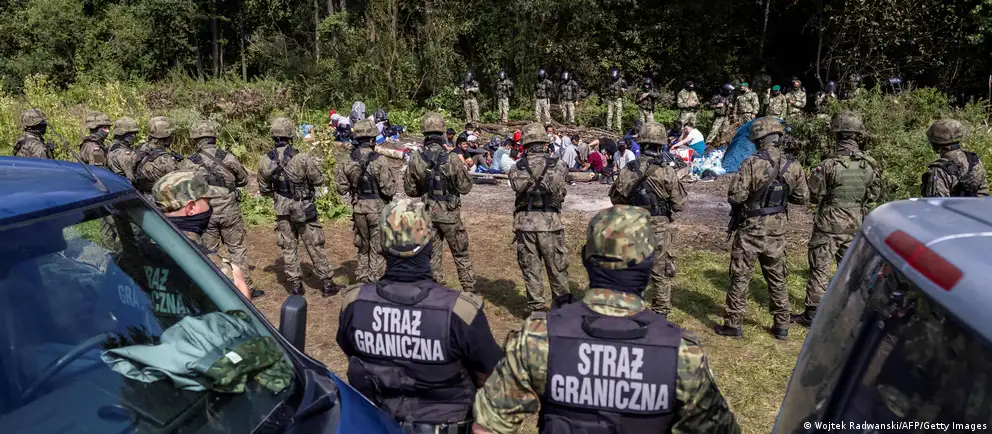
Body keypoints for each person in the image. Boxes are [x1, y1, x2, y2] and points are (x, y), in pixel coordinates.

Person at [472, 205, 741, 434]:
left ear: (586, 259)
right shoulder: (682, 354)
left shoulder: (539, 337)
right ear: (649, 266)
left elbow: (487, 427)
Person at [337, 198, 503, 433]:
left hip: (377, 424)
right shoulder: (460, 312)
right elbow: (491, 377)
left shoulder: (354, 304)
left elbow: (352, 354)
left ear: (382, 246)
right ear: (429, 244)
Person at [718, 117, 809, 340]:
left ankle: (733, 324)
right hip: (777, 230)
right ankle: (782, 325)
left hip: (751, 228)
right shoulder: (793, 164)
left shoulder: (751, 163)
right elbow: (802, 197)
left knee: (740, 276)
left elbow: (736, 196)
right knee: (777, 277)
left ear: (758, 139)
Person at [793, 112, 880, 327]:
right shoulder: (869, 164)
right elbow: (874, 194)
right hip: (856, 223)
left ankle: (813, 313)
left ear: (837, 135)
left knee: (820, 268)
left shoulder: (829, 165)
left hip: (829, 223)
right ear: (858, 135)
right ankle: (850, 312)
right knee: (851, 269)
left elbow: (813, 195)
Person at [258, 117, 344, 296]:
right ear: (290, 136)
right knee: (314, 244)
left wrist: (280, 195)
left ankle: (296, 286)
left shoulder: (265, 160)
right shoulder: (302, 158)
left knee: (288, 247)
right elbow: (318, 180)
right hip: (304, 207)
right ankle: (327, 283)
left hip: (282, 209)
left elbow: (264, 189)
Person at [608, 122, 688, 316]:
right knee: (660, 271)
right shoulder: (666, 171)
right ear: (661, 145)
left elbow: (615, 199)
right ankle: (660, 313)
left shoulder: (628, 169)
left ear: (641, 143)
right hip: (659, 227)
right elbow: (679, 204)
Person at [180, 119, 263, 299]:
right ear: (214, 137)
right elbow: (243, 180)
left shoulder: (189, 163)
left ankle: (213, 290)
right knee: (237, 250)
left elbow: (183, 188)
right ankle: (246, 289)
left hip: (205, 213)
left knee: (208, 251)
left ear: (195, 139)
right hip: (229, 211)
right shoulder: (228, 157)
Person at [404, 112, 477, 293]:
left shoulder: (416, 158)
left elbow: (410, 190)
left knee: (431, 255)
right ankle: (469, 292)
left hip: (428, 213)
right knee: (460, 253)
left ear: (424, 133)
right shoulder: (452, 158)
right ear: (442, 132)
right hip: (450, 214)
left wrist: (425, 186)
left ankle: (435, 291)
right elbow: (465, 187)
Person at [152, 170, 252, 300]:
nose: (210, 207)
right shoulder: (207, 264)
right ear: (191, 208)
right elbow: (240, 309)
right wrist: (236, 277)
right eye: (207, 202)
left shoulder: (139, 243)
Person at [508, 123, 570, 312]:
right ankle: (563, 310)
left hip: (525, 223)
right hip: (550, 222)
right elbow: (560, 191)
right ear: (544, 142)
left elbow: (516, 188)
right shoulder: (558, 165)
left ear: (524, 144)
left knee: (531, 268)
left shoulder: (516, 168)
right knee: (557, 268)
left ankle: (536, 308)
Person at [336, 119, 396, 284]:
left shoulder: (347, 160)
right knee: (378, 248)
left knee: (363, 247)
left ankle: (362, 280)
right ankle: (374, 281)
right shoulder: (380, 161)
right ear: (373, 139)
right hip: (378, 210)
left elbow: (341, 189)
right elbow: (389, 190)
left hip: (359, 209)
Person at [921, 118, 990, 197]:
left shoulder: (939, 170)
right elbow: (984, 194)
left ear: (935, 143)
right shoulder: (974, 160)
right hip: (980, 205)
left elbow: (936, 202)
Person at [133, 116, 183, 201]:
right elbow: (179, 183)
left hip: (140, 194)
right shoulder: (167, 159)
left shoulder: (140, 147)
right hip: (157, 199)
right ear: (167, 136)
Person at [107, 117, 140, 182]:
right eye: (131, 133)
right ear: (122, 133)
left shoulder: (111, 146)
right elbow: (132, 179)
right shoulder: (124, 154)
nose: (134, 136)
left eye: (135, 133)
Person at [604, 66, 628, 131]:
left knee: (618, 114)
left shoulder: (622, 81)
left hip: (618, 99)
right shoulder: (609, 81)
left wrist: (624, 90)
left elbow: (627, 89)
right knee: (609, 114)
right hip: (610, 99)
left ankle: (618, 129)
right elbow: (605, 88)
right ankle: (608, 128)